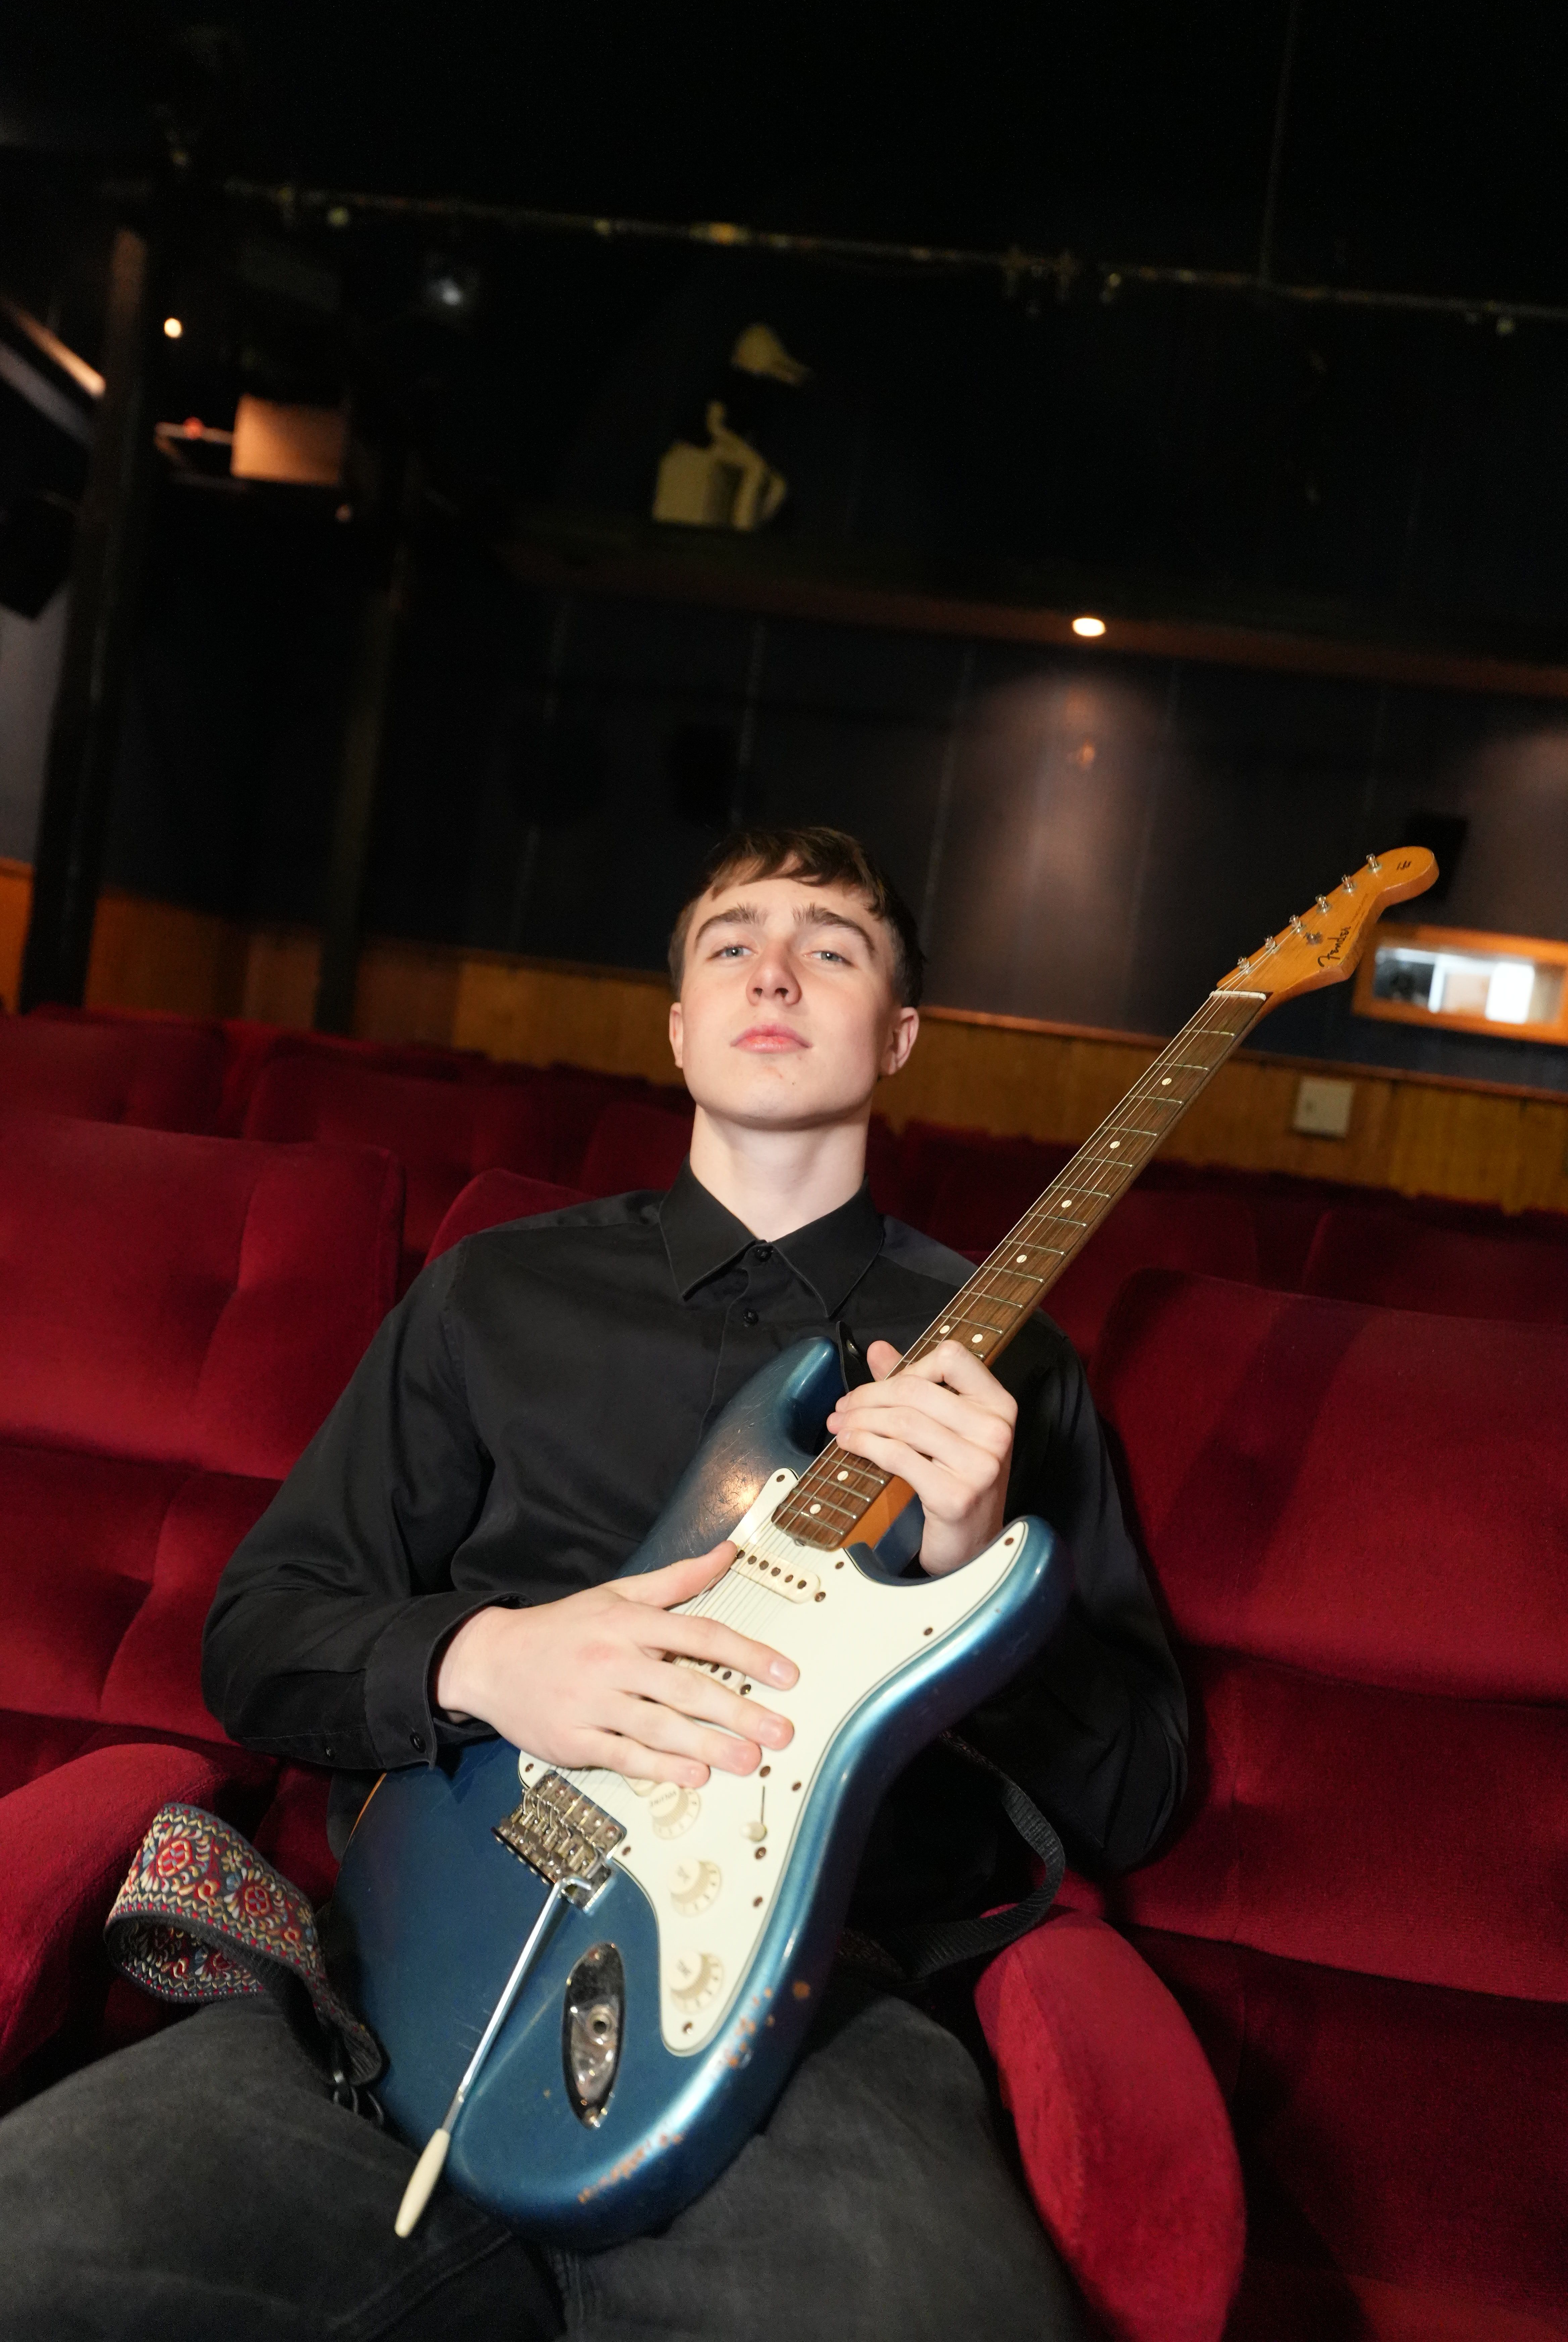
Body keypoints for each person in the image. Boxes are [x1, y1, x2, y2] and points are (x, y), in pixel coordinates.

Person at [0, 825, 1185, 2341]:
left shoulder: (1009, 1373)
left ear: (898, 1037)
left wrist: (975, 1578)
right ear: (680, 1027)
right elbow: (259, 1635)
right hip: (405, 1968)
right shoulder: (495, 1290)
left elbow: (1141, 1792)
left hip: (807, 2030)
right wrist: (484, 1660)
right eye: (731, 944)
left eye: (831, 947)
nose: (774, 971)